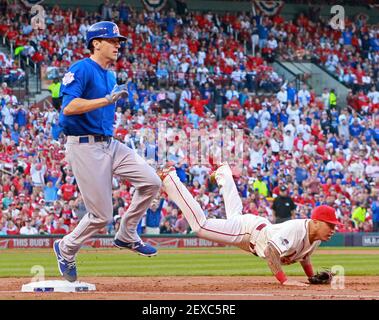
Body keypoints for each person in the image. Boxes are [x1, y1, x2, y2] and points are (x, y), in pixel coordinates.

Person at [54, 21, 161, 282]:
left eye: (118, 41)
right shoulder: (81, 68)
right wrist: (106, 100)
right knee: (101, 216)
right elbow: (68, 107)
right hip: (84, 145)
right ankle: (66, 248)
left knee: (151, 182)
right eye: (112, 41)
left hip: (109, 143)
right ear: (96, 43)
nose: (117, 45)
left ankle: (126, 235)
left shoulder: (110, 75)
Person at [158, 163, 340, 287]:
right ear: (316, 222)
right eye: (330, 225)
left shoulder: (315, 237)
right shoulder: (297, 228)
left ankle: (223, 172)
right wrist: (284, 280)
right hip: (248, 232)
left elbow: (304, 256)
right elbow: (270, 251)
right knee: (200, 226)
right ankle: (170, 179)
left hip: (256, 230)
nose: (333, 230)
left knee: (234, 214)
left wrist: (310, 277)